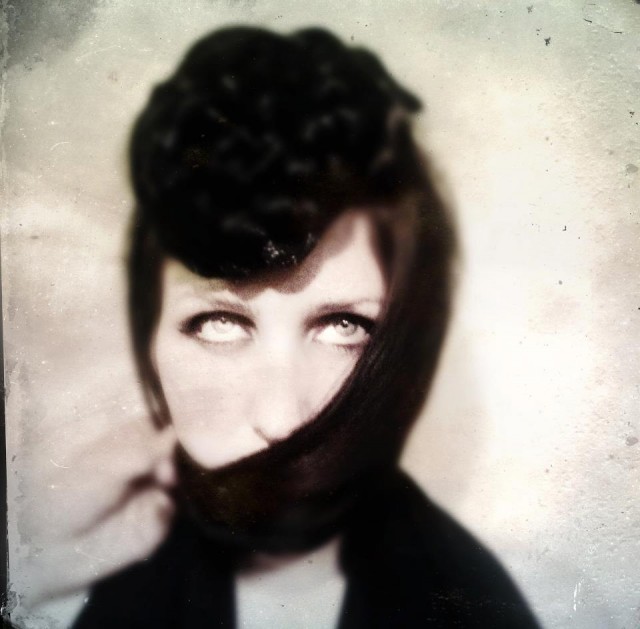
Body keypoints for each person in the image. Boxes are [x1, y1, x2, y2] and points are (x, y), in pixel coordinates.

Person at [71, 26, 540, 628]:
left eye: (343, 325)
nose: (281, 419)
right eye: (219, 323)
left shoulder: (477, 609)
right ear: (149, 333)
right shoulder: (93, 593)